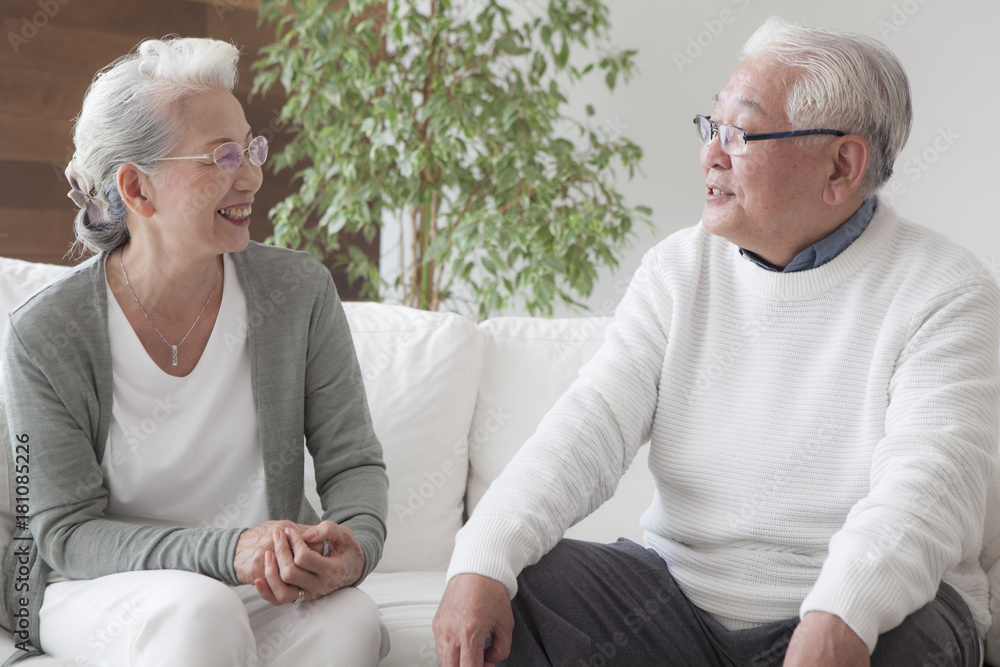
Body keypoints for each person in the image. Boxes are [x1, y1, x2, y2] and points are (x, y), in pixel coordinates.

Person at [433, 16, 1000, 667]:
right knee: (522, 587)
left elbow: (928, 485)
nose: (711, 154)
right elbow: (587, 425)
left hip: (860, 619)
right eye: (711, 127)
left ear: (842, 164)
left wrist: (842, 613)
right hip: (676, 605)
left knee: (912, 642)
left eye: (741, 133)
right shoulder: (677, 269)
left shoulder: (946, 289)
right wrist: (481, 559)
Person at [1, 37, 390, 666]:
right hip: (102, 589)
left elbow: (353, 462)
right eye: (222, 156)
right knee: (199, 613)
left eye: (252, 148)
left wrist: (356, 546)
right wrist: (226, 550)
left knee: (352, 619)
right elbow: (65, 534)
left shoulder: (297, 291)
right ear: (137, 188)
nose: (254, 175)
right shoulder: (45, 334)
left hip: (258, 581)